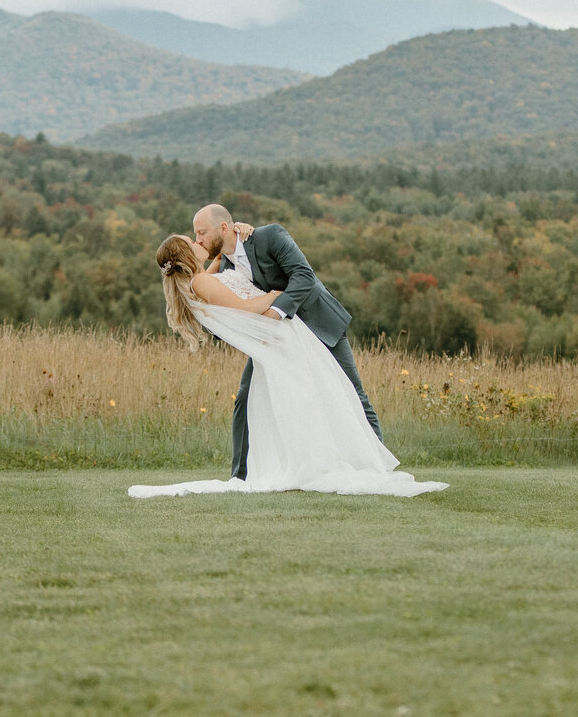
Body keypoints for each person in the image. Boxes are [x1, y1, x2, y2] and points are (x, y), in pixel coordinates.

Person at [128, 233, 446, 498]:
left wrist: (233, 238)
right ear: (185, 253)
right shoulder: (201, 283)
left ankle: (339, 458)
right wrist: (275, 296)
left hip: (280, 337)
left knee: (318, 393)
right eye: (192, 240)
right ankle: (328, 462)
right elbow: (244, 307)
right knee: (323, 392)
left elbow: (218, 270)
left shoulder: (197, 282)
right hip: (281, 331)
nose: (198, 240)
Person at [193, 203, 382, 480]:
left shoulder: (270, 236)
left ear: (224, 228)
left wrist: (274, 313)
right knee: (245, 399)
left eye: (202, 232)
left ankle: (378, 467)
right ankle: (240, 477)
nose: (198, 240)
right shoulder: (222, 269)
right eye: (196, 235)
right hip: (276, 339)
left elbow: (304, 276)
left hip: (317, 323)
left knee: (353, 393)